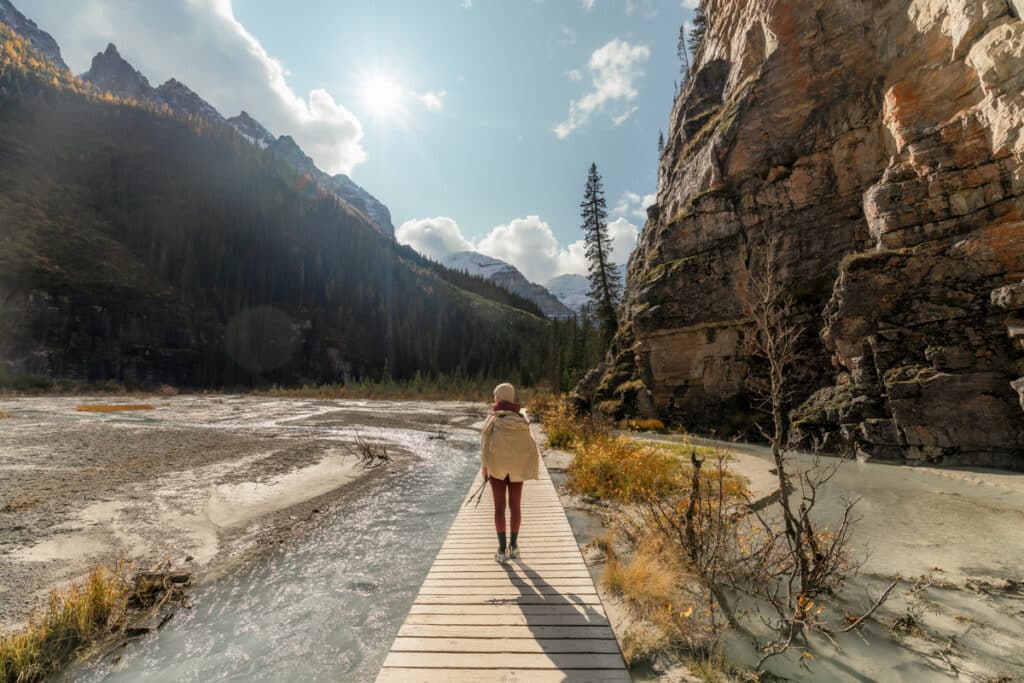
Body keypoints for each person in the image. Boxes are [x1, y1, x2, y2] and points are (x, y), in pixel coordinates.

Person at [480, 383, 540, 563]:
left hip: (497, 469)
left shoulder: (492, 418)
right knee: (515, 507)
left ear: (499, 397)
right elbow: (530, 444)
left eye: (495, 396)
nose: (494, 399)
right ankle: (514, 547)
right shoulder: (523, 419)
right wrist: (530, 467)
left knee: (499, 508)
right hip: (517, 470)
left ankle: (501, 550)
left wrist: (484, 468)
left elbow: (484, 445)